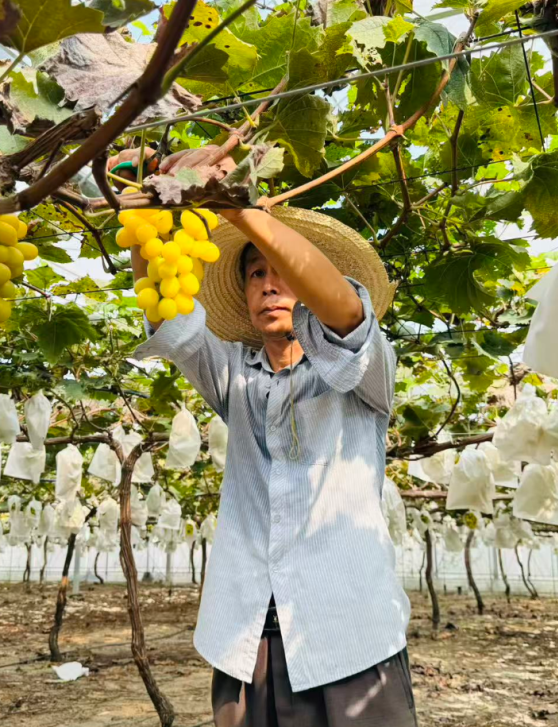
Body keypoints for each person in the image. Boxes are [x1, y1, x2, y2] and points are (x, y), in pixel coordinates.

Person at [120, 151, 414, 726]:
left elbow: (347, 314)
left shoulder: (363, 374)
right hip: (247, 633)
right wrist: (150, 203)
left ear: (308, 286)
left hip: (349, 638)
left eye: (283, 272)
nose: (270, 285)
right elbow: (169, 315)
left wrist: (237, 208)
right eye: (256, 274)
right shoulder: (233, 374)